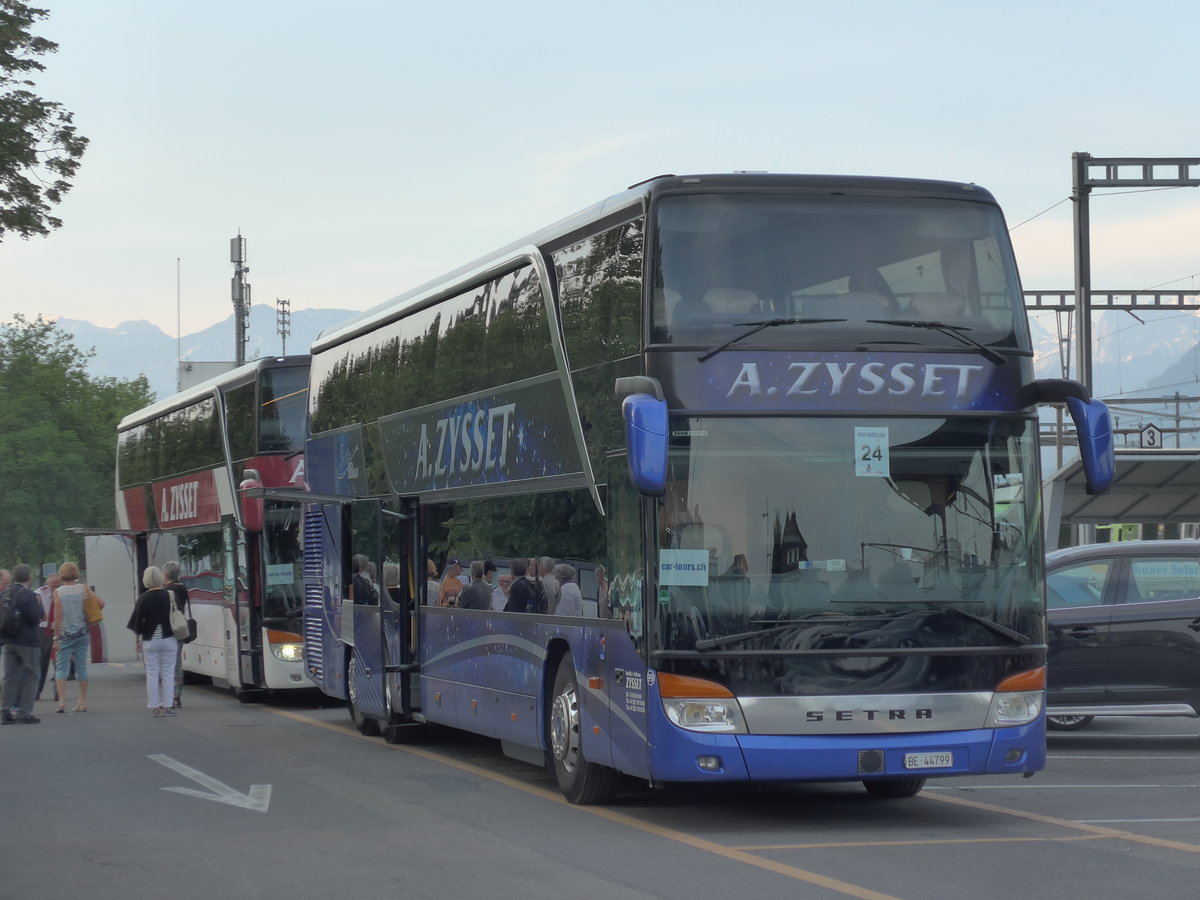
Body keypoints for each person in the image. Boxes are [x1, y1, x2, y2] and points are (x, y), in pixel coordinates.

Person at [127, 566, 178, 717]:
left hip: (150, 640)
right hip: (169, 638)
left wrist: (137, 642)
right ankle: (168, 706)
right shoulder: (170, 595)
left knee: (152, 673)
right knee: (168, 673)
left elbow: (136, 623)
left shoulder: (143, 598)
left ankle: (154, 706)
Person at [51, 562, 102, 714]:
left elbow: (58, 616)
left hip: (66, 634)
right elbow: (101, 603)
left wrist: (56, 638)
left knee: (61, 668)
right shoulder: (83, 588)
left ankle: (61, 702)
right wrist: (88, 617)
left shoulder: (58, 592)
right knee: (81, 667)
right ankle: (82, 701)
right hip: (82, 632)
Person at [1, 564, 45, 724]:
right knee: (32, 675)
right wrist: (39, 606)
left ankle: (5, 712)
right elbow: (36, 617)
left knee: (9, 677)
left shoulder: (6, 593)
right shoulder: (29, 595)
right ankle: (24, 712)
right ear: (28, 577)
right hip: (27, 641)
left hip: (9, 641)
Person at [163, 561, 189, 709]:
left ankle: (171, 695)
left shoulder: (168, 590)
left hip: (169, 630)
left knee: (168, 664)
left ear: (166, 574)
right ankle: (177, 695)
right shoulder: (182, 588)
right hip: (180, 628)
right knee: (178, 662)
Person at [35, 572, 60, 700]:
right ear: (47, 585)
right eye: (52, 586)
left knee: (58, 662)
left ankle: (58, 691)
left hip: (58, 630)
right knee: (41, 662)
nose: (54, 588)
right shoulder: (39, 593)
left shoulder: (63, 593)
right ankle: (37, 691)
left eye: (57, 586)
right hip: (43, 630)